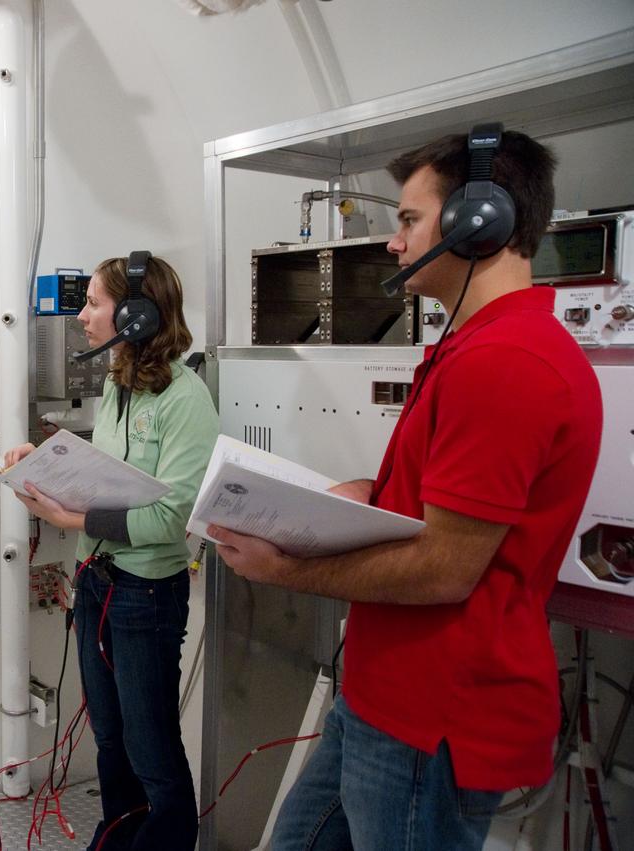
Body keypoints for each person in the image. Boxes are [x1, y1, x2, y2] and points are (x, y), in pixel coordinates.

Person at [210, 129, 603, 850]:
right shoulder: (473, 348)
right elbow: (438, 513)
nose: (394, 243)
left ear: (478, 221)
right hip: (383, 698)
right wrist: (367, 492)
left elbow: (446, 567)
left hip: (431, 718)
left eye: (408, 219)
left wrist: (285, 568)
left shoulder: (506, 363)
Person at [4, 255, 219, 851]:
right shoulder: (116, 383)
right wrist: (44, 459)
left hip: (145, 594)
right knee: (110, 737)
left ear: (134, 315)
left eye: (93, 303)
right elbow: (111, 476)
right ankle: (117, 839)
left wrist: (68, 517)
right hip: (96, 581)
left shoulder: (184, 398)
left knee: (150, 746)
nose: (81, 315)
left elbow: (169, 517)